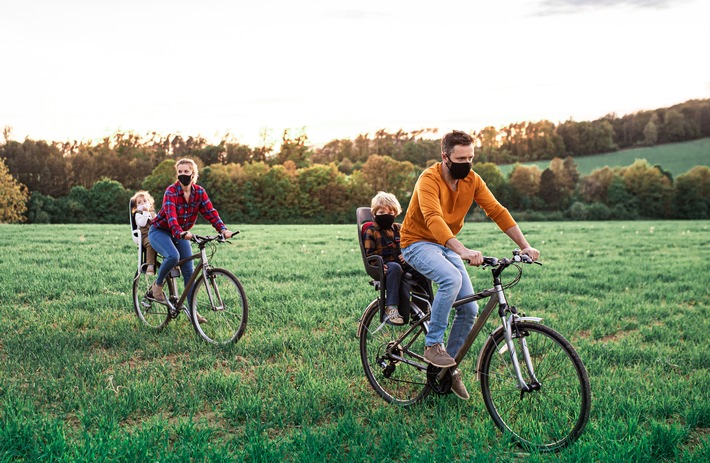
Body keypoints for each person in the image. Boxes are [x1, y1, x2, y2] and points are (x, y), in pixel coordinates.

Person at [400, 130, 540, 400]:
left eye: (471, 157)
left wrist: (525, 245)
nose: (467, 163)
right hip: (417, 243)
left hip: (446, 244)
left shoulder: (472, 180)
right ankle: (433, 346)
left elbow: (497, 211)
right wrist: (462, 249)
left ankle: (446, 370)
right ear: (445, 157)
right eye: (461, 158)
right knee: (450, 279)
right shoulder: (428, 179)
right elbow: (433, 218)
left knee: (470, 309)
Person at [148, 158, 236, 323]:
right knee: (173, 256)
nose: (182, 175)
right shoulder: (171, 191)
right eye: (179, 172)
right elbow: (171, 216)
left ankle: (193, 314)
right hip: (160, 230)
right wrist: (180, 232)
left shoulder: (199, 192)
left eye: (186, 172)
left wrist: (222, 229)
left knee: (189, 271)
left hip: (181, 232)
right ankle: (157, 287)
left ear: (193, 174)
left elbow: (210, 212)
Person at [362, 191, 411, 325]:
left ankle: (425, 307)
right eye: (382, 213)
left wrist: (407, 256)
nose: (386, 216)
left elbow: (409, 246)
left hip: (402, 263)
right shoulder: (371, 231)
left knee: (420, 268)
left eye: (390, 213)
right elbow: (369, 254)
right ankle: (391, 308)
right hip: (385, 266)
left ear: (395, 214)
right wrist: (377, 265)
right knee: (394, 267)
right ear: (374, 213)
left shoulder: (399, 228)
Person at [131, 190, 158, 275]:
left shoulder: (153, 214)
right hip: (144, 236)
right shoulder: (138, 214)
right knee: (150, 243)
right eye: (139, 202)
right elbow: (142, 223)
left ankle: (171, 263)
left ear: (150, 203)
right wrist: (145, 212)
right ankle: (150, 265)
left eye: (145, 201)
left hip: (155, 234)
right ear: (136, 206)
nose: (142, 203)